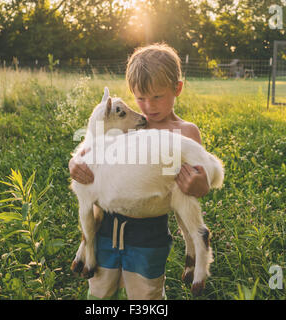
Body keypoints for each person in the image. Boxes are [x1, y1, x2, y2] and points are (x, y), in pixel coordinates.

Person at [68, 43, 210, 299]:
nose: (148, 106)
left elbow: (196, 181)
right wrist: (75, 164)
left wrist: (200, 183)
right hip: (106, 228)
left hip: (148, 234)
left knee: (146, 292)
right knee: (100, 288)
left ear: (177, 88)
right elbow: (91, 149)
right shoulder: (130, 126)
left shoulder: (184, 133)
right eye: (141, 98)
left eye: (157, 97)